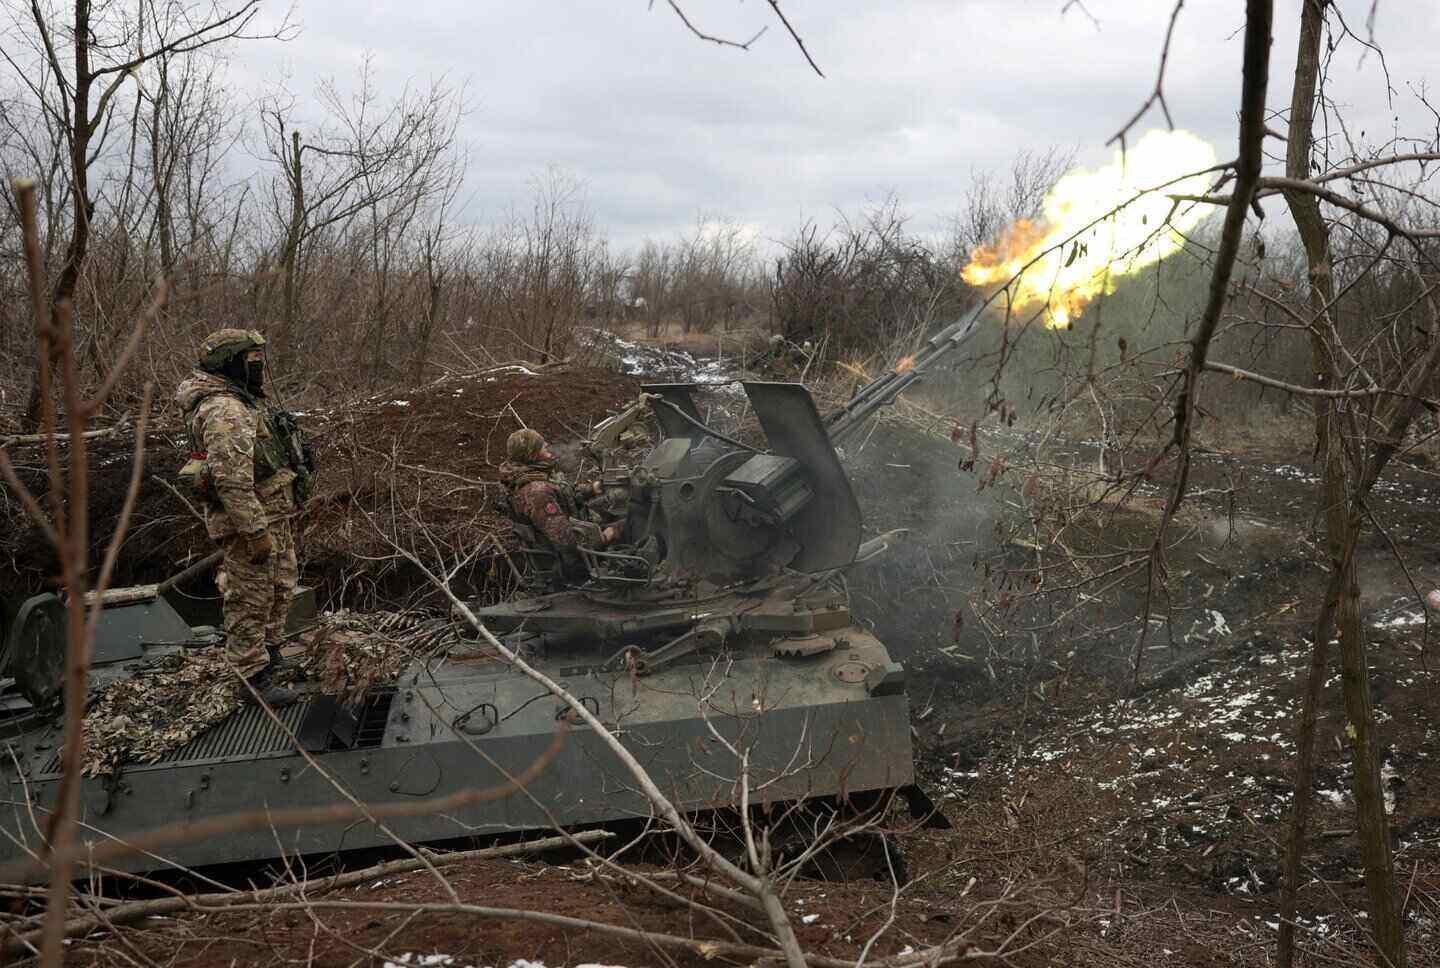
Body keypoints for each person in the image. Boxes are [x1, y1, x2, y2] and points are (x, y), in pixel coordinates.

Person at [175, 328, 311, 707]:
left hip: (271, 514)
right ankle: (251, 677)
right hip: (248, 522)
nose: (259, 366)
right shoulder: (225, 410)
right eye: (252, 360)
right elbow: (231, 480)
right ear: (231, 363)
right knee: (250, 598)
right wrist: (254, 531)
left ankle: (269, 655)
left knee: (280, 585)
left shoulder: (242, 400)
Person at [499, 428, 622, 586]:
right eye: (541, 445)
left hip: (560, 550)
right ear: (531, 454)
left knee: (609, 513)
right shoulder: (537, 493)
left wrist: (592, 489)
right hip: (569, 564)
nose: (547, 445)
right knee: (628, 522)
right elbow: (568, 541)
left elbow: (563, 495)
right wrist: (607, 535)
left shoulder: (530, 475)